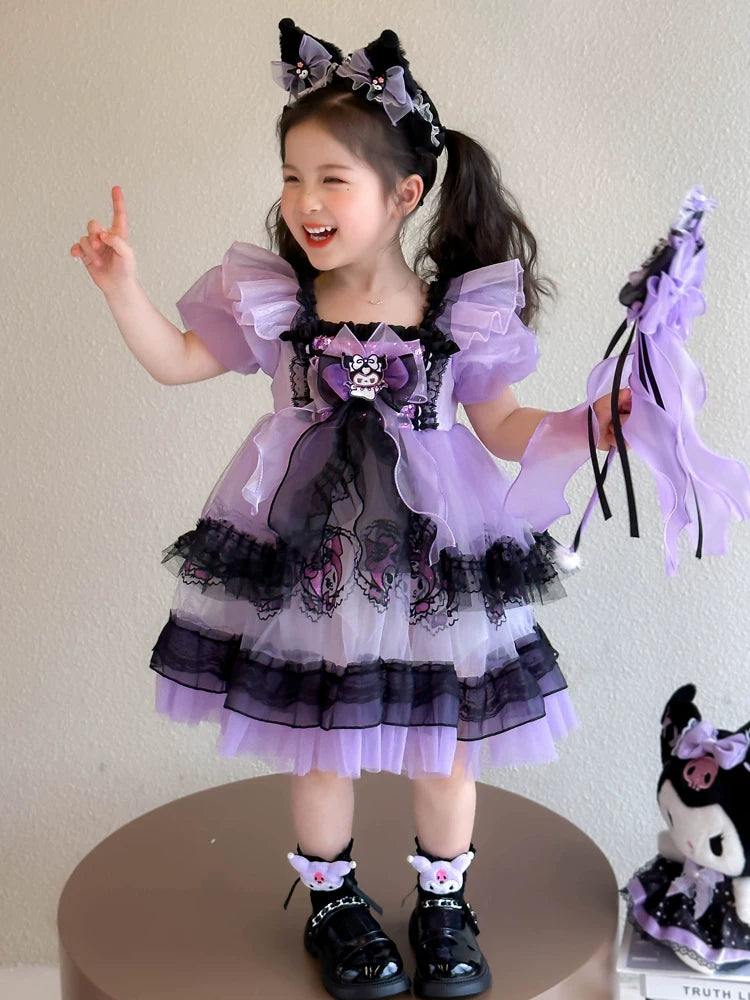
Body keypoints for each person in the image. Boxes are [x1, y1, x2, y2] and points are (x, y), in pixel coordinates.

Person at [70, 20, 629, 1000]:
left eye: (333, 178)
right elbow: (178, 360)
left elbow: (502, 424)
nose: (306, 201)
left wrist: (590, 423)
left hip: (433, 560)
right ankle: (333, 902)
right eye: (293, 176)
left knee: (445, 745)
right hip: (313, 567)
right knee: (320, 737)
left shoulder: (459, 313)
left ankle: (444, 900)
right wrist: (123, 289)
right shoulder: (276, 304)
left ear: (403, 194)